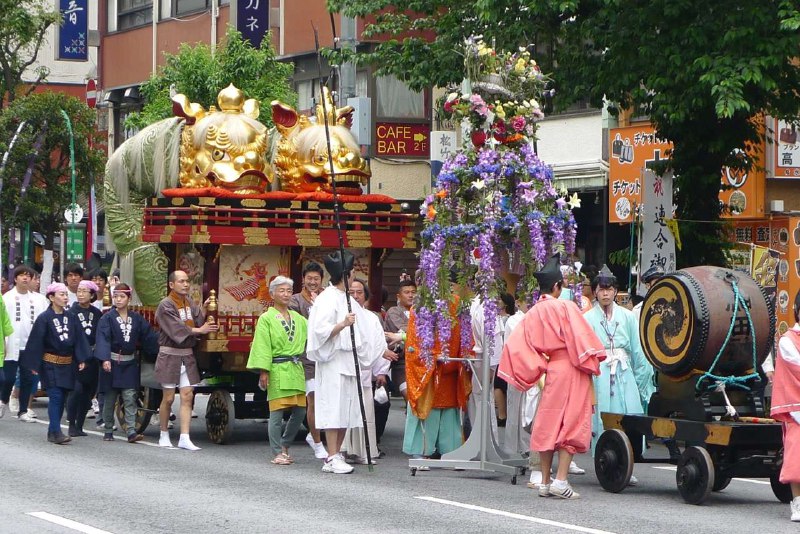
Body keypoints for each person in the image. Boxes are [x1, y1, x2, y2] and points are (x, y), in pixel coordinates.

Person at [499, 253, 606, 499]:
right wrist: (592, 362)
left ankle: (545, 481)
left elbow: (517, 346)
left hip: (550, 370)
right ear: (558, 286)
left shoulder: (534, 312)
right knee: (572, 422)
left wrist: (537, 367)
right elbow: (584, 341)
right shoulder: (566, 306)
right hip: (571, 368)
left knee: (548, 423)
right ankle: (561, 480)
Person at [306, 250, 382, 474]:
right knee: (333, 407)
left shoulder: (348, 299)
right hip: (333, 360)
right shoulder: (326, 298)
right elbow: (319, 331)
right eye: (351, 274)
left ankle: (337, 452)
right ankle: (331, 456)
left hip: (350, 360)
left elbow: (365, 325)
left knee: (346, 409)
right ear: (345, 275)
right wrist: (341, 324)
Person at [584, 265, 655, 485]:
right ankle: (606, 461)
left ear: (616, 291)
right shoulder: (587, 318)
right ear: (595, 291)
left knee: (630, 413)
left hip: (624, 371)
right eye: (601, 289)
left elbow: (638, 350)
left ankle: (627, 462)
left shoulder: (628, 316)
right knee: (603, 416)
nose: (605, 293)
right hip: (600, 371)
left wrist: (644, 381)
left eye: (609, 289)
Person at [402, 293, 472, 461]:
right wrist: (432, 356)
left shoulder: (458, 303)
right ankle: (421, 451)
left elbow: (466, 336)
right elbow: (413, 343)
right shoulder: (421, 306)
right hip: (430, 368)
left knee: (450, 411)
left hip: (452, 367)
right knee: (427, 408)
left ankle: (452, 451)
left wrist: (463, 355)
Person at [247, 276, 308, 465]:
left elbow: (312, 338)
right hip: (277, 368)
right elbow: (262, 345)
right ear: (272, 293)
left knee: (300, 411)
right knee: (276, 412)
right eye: (281, 290)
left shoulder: (299, 318)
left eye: (289, 290)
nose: (286, 294)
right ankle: (276, 452)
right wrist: (264, 371)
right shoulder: (266, 318)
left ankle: (285, 444)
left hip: (295, 367)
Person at [154, 270, 217, 450]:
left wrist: (205, 309)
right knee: (167, 398)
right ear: (171, 284)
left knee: (187, 396)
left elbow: (197, 319)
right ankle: (164, 433)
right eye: (181, 281)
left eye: (187, 281)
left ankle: (184, 436)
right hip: (170, 355)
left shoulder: (189, 302)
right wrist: (200, 330)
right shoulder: (165, 305)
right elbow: (177, 329)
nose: (186, 284)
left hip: (187, 355)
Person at [21, 283, 91, 444]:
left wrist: (82, 358)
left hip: (67, 364)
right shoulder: (44, 318)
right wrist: (33, 365)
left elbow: (79, 339)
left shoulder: (71, 317)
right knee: (56, 396)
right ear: (51, 297)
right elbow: (36, 341)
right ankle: (57, 431)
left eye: (66, 294)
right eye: (61, 294)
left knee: (63, 395)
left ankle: (53, 431)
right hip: (49, 363)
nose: (65, 297)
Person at [95, 283, 159, 442]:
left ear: (129, 299)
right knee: (110, 398)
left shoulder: (137, 318)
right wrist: (104, 359)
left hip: (129, 363)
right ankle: (108, 429)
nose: (118, 299)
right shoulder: (107, 318)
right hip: (111, 362)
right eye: (116, 296)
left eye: (122, 296)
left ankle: (131, 431)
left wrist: (162, 344)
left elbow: (149, 336)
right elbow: (102, 339)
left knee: (130, 397)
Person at [341, 278, 392, 464]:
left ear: (366, 295)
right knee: (344, 411)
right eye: (351, 292)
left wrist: (381, 371)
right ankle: (342, 450)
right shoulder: (341, 315)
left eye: (359, 292)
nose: (355, 295)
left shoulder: (371, 318)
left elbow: (379, 344)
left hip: (363, 372)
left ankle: (364, 451)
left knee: (364, 412)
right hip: (344, 372)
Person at [289, 261, 327, 459]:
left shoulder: (326, 298)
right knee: (312, 399)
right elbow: (299, 325)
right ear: (303, 279)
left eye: (316, 279)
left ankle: (316, 437)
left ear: (322, 281)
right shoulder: (295, 300)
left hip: (326, 357)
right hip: (306, 357)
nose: (312, 282)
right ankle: (317, 441)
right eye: (309, 278)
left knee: (324, 400)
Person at [1, 265, 48, 422]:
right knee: (8, 378)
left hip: (30, 346)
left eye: (28, 275)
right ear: (15, 279)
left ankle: (23, 411)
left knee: (28, 378)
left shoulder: (38, 299)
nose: (25, 278)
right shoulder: (6, 298)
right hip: (11, 345)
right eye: (22, 275)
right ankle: (3, 401)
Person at [771, 289, 800, 522]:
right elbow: (795, 369)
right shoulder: (787, 341)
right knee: (797, 455)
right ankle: (797, 503)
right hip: (797, 408)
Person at [65, 280, 102, 437]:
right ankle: (71, 424)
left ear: (92, 294)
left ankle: (80, 425)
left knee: (88, 392)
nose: (80, 294)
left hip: (93, 356)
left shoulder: (97, 313)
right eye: (78, 291)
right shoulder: (71, 312)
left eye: (84, 291)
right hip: (76, 357)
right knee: (76, 390)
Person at [384, 280, 416, 403]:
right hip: (402, 363)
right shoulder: (394, 311)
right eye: (406, 292)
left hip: (420, 361)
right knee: (410, 398)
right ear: (398, 296)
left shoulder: (421, 311)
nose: (411, 295)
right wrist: (419, 329)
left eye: (413, 292)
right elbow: (403, 328)